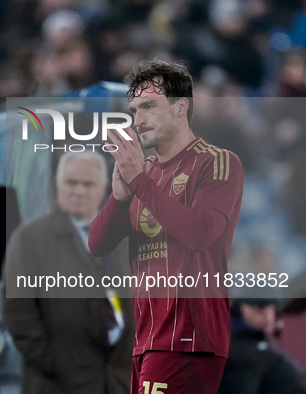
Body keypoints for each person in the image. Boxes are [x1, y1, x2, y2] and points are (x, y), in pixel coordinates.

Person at [88, 60, 244, 394]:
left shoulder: (217, 162)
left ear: (180, 107)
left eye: (149, 106)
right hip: (147, 337)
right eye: (133, 110)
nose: (138, 119)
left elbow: (200, 233)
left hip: (189, 335)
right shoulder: (143, 172)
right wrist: (118, 197)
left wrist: (140, 182)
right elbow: (97, 244)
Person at [3, 152, 135, 394]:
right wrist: (56, 362)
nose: (79, 191)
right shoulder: (31, 238)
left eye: (88, 184)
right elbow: (17, 311)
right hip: (56, 384)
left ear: (104, 187)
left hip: (117, 382)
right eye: (71, 183)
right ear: (58, 184)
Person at [218, 298, 306, 394]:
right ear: (239, 309)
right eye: (258, 307)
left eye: (271, 307)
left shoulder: (262, 346)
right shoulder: (240, 351)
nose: (267, 315)